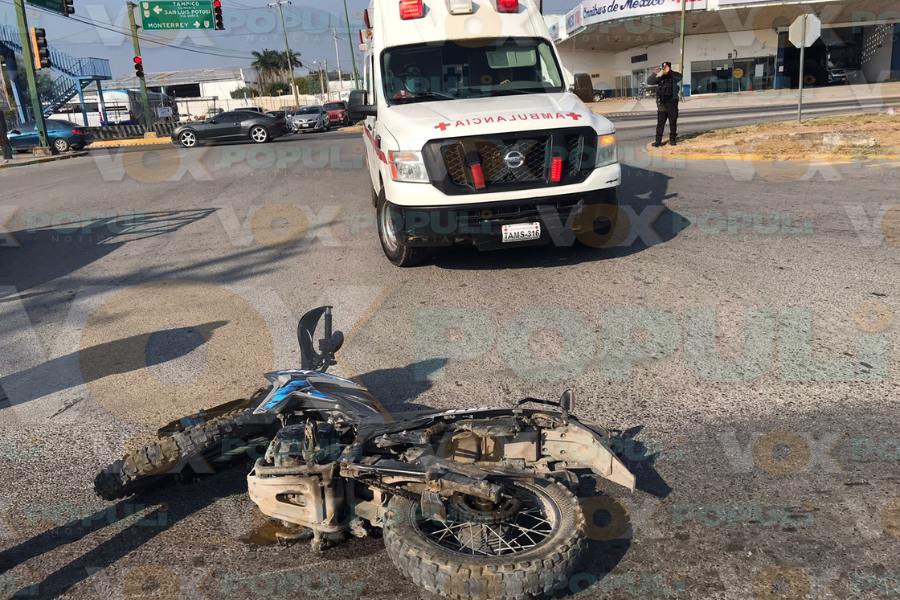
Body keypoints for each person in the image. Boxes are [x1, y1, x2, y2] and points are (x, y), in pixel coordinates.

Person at [647, 62, 682, 147]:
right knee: (660, 123)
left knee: (672, 122)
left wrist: (669, 72)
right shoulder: (660, 76)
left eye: (666, 67)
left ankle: (672, 140)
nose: (664, 69)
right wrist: (655, 73)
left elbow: (680, 77)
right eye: (663, 67)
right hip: (662, 103)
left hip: (672, 103)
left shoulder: (673, 76)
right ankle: (658, 141)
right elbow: (649, 82)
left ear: (669, 67)